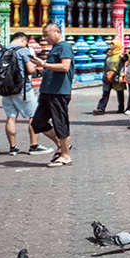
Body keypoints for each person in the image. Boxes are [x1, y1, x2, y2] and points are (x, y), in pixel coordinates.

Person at [0, 32, 52, 156]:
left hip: (5, 90)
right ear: (23, 40)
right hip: (22, 89)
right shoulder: (23, 51)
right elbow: (31, 70)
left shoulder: (0, 52)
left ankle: (13, 148)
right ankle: (34, 146)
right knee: (33, 116)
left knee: (11, 117)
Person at [32, 22, 75, 168]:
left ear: (57, 32)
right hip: (47, 91)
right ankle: (61, 145)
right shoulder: (55, 48)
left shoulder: (64, 46)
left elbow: (65, 66)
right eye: (43, 35)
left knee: (60, 123)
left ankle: (65, 156)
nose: (45, 38)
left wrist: (43, 64)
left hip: (59, 91)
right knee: (37, 122)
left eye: (47, 35)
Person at [93, 38, 126, 115]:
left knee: (119, 92)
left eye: (113, 44)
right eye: (111, 44)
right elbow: (105, 65)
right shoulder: (108, 54)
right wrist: (104, 74)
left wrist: (121, 75)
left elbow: (122, 66)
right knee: (105, 92)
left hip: (116, 76)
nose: (111, 46)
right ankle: (101, 108)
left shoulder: (120, 55)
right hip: (108, 76)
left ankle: (121, 108)